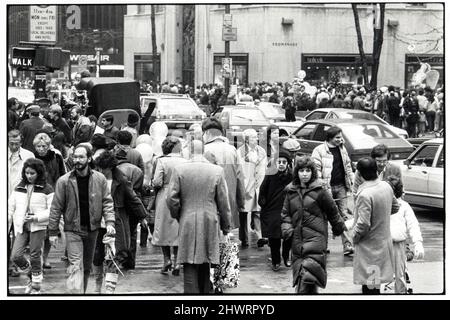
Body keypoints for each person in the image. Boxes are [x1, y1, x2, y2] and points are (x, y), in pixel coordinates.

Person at [48, 145, 115, 294]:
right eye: (75, 157)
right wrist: (52, 231)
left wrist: (110, 222)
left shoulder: (100, 179)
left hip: (92, 229)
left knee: (85, 268)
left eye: (81, 157)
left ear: (89, 159)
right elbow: (56, 207)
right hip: (73, 230)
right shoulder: (64, 181)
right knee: (76, 267)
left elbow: (107, 202)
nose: (77, 160)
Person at [166, 140, 232, 294]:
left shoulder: (180, 170)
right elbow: (223, 202)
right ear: (203, 151)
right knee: (207, 260)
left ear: (189, 150)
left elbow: (171, 198)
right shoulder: (217, 171)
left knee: (189, 261)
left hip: (187, 218)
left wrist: (179, 214)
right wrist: (226, 225)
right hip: (210, 218)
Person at [281, 156, 346, 294]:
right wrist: (287, 228)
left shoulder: (320, 191)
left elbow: (333, 211)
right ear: (296, 172)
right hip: (297, 240)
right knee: (301, 276)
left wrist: (338, 228)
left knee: (310, 277)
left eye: (308, 170)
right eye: (301, 171)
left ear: (312, 172)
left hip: (316, 239)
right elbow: (285, 213)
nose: (304, 174)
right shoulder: (290, 191)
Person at [93, 151, 147, 291]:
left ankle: (110, 289)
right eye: (98, 168)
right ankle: (97, 287)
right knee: (97, 255)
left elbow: (133, 199)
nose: (100, 171)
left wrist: (142, 216)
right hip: (98, 222)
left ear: (110, 168)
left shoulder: (121, 181)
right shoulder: (95, 180)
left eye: (103, 168)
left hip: (116, 221)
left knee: (114, 254)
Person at [351, 157, 398, 294]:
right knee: (374, 285)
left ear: (359, 174)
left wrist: (354, 236)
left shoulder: (365, 194)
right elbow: (395, 207)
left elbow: (364, 223)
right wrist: (381, 216)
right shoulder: (386, 186)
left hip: (368, 247)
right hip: (383, 242)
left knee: (370, 286)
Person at [8, 158, 54, 294]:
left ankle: (36, 286)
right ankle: (32, 274)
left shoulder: (47, 188)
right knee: (15, 256)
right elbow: (10, 206)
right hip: (21, 226)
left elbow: (52, 210)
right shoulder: (19, 187)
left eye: (32, 173)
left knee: (35, 254)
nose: (29, 176)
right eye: (27, 173)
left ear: (39, 173)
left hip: (38, 226)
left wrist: (36, 217)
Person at [311, 126, 354, 256]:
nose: (340, 140)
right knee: (325, 216)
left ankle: (348, 245)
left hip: (341, 186)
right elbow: (315, 168)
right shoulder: (319, 150)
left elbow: (347, 166)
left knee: (343, 215)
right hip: (326, 188)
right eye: (337, 138)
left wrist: (351, 180)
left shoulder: (342, 149)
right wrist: (321, 184)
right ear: (330, 138)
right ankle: (323, 245)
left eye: (341, 137)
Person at [202, 118, 246, 233]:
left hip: (211, 203)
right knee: (228, 235)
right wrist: (241, 202)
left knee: (212, 240)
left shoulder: (205, 150)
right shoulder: (232, 150)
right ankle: (229, 251)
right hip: (230, 200)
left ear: (207, 133)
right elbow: (240, 177)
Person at [152, 136, 188, 275]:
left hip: (164, 195)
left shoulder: (161, 161)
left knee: (163, 228)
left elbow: (156, 182)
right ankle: (178, 261)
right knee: (178, 228)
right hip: (181, 195)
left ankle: (166, 260)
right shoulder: (185, 161)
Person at [32, 132, 66, 269]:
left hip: (53, 194)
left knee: (50, 228)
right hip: (37, 195)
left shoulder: (56, 156)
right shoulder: (31, 157)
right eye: (38, 146)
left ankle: (45, 257)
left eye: (44, 146)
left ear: (48, 146)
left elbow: (62, 174)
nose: (41, 148)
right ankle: (37, 257)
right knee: (37, 229)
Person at [385, 175, 424, 294]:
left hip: (398, 245)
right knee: (377, 277)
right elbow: (361, 219)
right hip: (381, 244)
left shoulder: (404, 206)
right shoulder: (380, 204)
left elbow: (413, 225)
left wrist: (418, 243)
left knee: (399, 277)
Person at [259, 150, 293, 271]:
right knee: (274, 237)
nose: (282, 164)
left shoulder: (292, 176)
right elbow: (262, 190)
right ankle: (275, 260)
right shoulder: (270, 175)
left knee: (288, 235)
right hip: (272, 209)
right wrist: (262, 202)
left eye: (284, 162)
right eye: (279, 162)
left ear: (288, 163)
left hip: (287, 210)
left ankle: (286, 256)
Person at [237, 129, 267, 248]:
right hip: (245, 185)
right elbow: (240, 171)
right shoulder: (240, 152)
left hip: (258, 185)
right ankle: (244, 238)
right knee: (243, 214)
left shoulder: (261, 151)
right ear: (247, 139)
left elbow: (263, 169)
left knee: (257, 211)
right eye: (253, 137)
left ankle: (260, 236)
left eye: (256, 137)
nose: (256, 139)